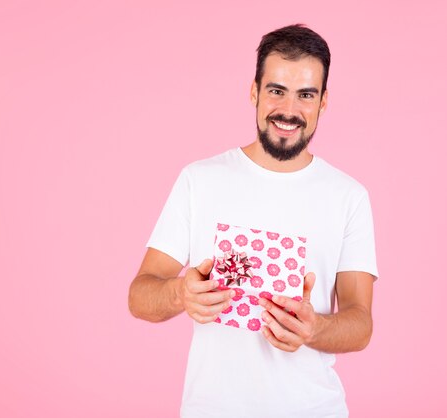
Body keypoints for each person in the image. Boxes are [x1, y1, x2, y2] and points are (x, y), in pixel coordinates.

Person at [128, 24, 378, 418]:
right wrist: (182, 294)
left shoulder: (349, 197)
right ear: (254, 92)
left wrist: (314, 329)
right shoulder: (201, 179)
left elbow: (360, 322)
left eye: (306, 95)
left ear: (323, 102)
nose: (289, 111)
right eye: (277, 90)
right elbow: (140, 296)